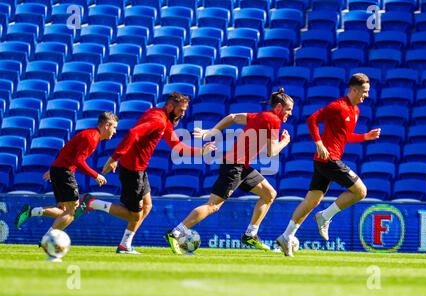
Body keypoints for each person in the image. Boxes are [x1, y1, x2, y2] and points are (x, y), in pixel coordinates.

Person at [74, 91, 216, 254]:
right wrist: (114, 158)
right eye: (181, 110)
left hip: (139, 169)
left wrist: (201, 151)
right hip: (132, 170)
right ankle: (92, 203)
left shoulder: (163, 119)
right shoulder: (158, 120)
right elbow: (134, 133)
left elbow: (178, 147)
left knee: (147, 206)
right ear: (170, 107)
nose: (183, 114)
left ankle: (125, 245)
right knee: (134, 215)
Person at [165, 88, 294, 255]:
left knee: (269, 194)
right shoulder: (274, 120)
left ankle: (250, 234)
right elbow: (271, 151)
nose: (290, 113)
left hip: (242, 166)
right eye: (289, 109)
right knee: (213, 206)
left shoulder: (260, 116)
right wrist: (285, 141)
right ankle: (175, 233)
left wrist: (212, 131)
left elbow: (232, 117)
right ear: (278, 107)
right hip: (235, 166)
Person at [275, 73, 381, 257]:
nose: (366, 95)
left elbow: (345, 136)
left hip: (324, 160)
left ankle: (286, 236)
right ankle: (325, 216)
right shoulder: (338, 106)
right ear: (354, 90)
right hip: (328, 158)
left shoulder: (355, 111)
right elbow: (312, 120)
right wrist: (319, 143)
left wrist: (365, 136)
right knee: (360, 191)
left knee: (311, 201)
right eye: (364, 91)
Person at [15, 112, 119, 236]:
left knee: (64, 211)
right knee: (71, 212)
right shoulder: (92, 137)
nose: (115, 131)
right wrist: (96, 175)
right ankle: (47, 240)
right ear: (107, 125)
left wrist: (54, 169)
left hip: (59, 169)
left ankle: (31, 211)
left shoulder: (90, 134)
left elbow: (67, 150)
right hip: (64, 171)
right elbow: (78, 161)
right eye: (114, 127)